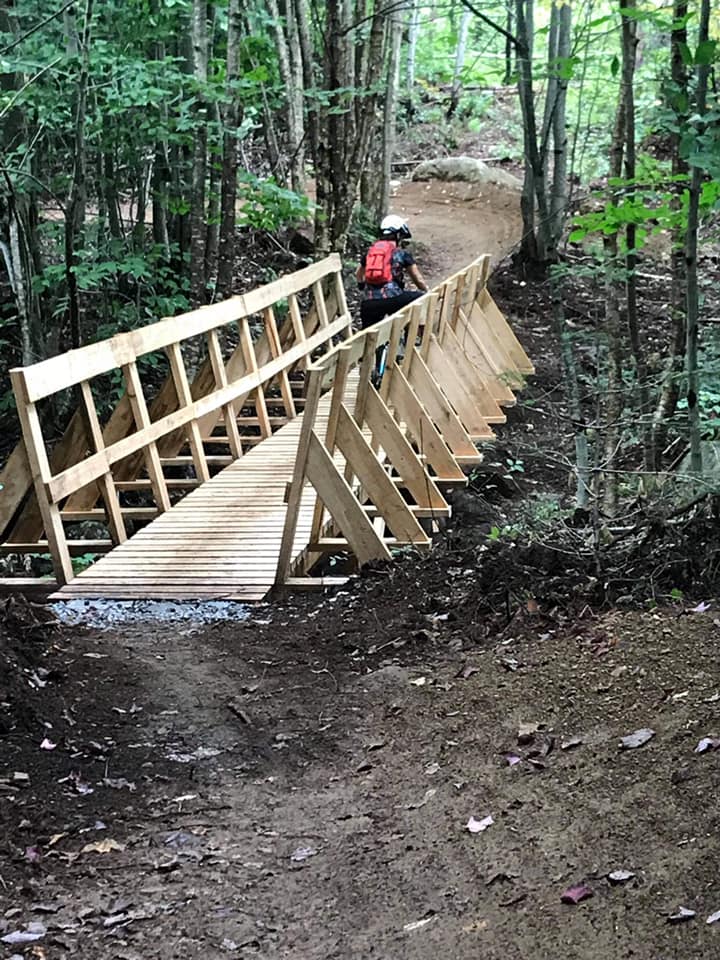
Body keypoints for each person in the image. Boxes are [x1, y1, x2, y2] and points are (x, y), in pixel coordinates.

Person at [356, 214, 429, 329]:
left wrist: (361, 286)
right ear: (398, 235)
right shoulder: (401, 254)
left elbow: (359, 273)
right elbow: (418, 279)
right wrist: (426, 290)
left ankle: (378, 346)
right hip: (393, 298)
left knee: (368, 335)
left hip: (368, 303)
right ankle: (413, 338)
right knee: (421, 298)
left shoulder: (370, 252)